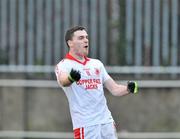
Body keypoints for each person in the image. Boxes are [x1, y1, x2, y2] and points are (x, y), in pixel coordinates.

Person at [55, 26, 138, 139]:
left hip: (106, 122)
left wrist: (128, 88)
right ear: (70, 43)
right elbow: (63, 80)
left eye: (86, 37)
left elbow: (114, 89)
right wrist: (71, 78)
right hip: (86, 125)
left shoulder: (96, 64)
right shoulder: (64, 65)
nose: (85, 40)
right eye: (80, 38)